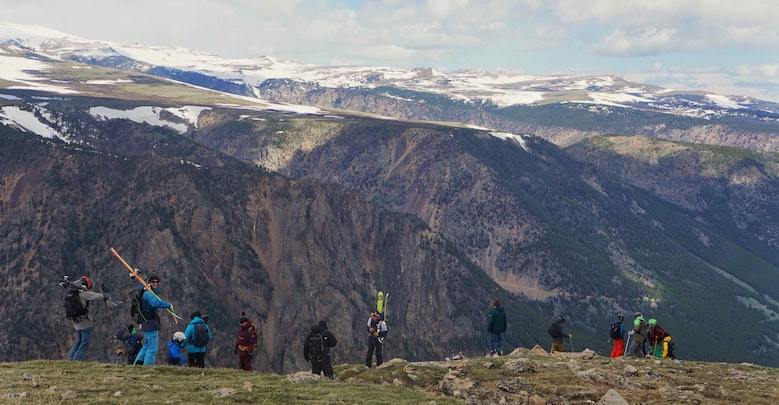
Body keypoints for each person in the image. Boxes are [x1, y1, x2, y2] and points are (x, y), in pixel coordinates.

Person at [67, 276, 110, 361]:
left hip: (75, 321)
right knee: (84, 344)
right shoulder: (83, 294)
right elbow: (94, 296)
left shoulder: (72, 293)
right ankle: (76, 361)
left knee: (78, 342)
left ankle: (70, 359)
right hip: (84, 322)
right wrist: (104, 295)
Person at [133, 275, 174, 366]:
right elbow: (155, 303)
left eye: (157, 282)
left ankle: (137, 364)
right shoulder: (148, 294)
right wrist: (168, 305)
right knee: (153, 347)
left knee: (147, 345)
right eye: (153, 282)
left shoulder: (146, 292)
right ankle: (148, 366)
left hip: (147, 322)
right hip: (151, 323)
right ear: (149, 283)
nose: (155, 283)